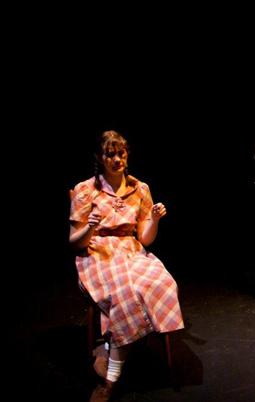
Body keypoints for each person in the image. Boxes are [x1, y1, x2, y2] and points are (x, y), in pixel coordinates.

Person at [69, 130, 184, 402]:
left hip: (132, 250)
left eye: (121, 153)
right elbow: (74, 242)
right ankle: (110, 379)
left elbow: (145, 238)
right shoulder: (86, 190)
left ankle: (109, 343)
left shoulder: (140, 188)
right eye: (110, 154)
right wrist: (90, 227)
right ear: (100, 157)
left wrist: (154, 220)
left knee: (163, 283)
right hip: (97, 254)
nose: (117, 159)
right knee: (124, 291)